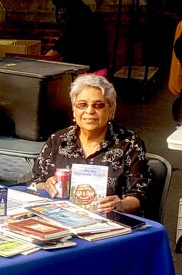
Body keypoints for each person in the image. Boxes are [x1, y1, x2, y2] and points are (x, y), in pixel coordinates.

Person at [31, 74, 150, 214]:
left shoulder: (129, 143)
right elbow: (36, 180)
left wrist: (121, 204)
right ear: (74, 110)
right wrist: (46, 185)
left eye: (98, 105)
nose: (89, 111)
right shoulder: (58, 139)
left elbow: (139, 194)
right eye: (82, 105)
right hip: (61, 217)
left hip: (111, 222)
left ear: (111, 109)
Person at [46, 0, 109, 76]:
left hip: (88, 73)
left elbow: (62, 47)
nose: (60, 13)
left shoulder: (78, 22)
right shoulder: (91, 17)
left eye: (61, 8)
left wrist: (42, 60)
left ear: (66, 7)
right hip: (98, 70)